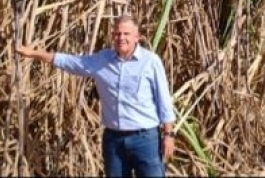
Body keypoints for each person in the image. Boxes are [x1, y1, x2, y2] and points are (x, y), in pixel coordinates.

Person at [16, 13, 176, 177]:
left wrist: (168, 134)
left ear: (137, 36)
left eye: (126, 34)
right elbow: (71, 62)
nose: (121, 38)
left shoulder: (151, 61)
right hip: (114, 141)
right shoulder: (102, 60)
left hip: (145, 139)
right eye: (117, 33)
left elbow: (164, 100)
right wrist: (34, 54)